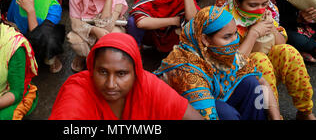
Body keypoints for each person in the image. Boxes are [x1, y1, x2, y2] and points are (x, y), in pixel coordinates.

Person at [154, 6, 280, 120]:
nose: (234, 41)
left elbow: (262, 82)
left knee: (251, 83)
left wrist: (276, 118)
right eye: (227, 37)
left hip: (213, 97)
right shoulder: (187, 70)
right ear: (205, 39)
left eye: (235, 34)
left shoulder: (222, 52)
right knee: (226, 114)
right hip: (182, 114)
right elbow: (206, 116)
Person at [49, 32, 203, 120]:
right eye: (102, 71)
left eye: (121, 73)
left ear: (136, 73)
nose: (110, 84)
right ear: (91, 69)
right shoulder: (78, 90)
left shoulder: (148, 85)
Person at [225, 0, 316, 120]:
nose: (260, 9)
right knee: (259, 59)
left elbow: (281, 43)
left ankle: (305, 110)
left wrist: (271, 27)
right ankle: (272, 115)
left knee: (289, 51)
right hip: (237, 79)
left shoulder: (266, 15)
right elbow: (233, 63)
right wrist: (254, 33)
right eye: (253, 5)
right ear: (237, 2)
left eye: (264, 4)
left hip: (268, 72)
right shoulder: (225, 21)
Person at [67, 0, 128, 72]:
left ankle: (100, 61)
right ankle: (83, 56)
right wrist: (94, 30)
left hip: (109, 26)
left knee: (116, 38)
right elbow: (75, 23)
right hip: (87, 28)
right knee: (74, 39)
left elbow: (107, 26)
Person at [5, 0, 65, 74]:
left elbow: (40, 39)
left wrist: (31, 12)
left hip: (39, 41)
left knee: (50, 41)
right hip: (17, 35)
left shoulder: (53, 8)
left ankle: (52, 58)